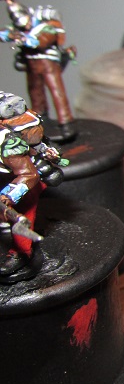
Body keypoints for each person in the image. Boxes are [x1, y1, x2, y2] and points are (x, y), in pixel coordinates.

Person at [0, 92, 67, 278]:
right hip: (5, 174)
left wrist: (8, 196)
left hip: (24, 183)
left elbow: (28, 175)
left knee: (22, 214)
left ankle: (22, 254)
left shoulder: (10, 144)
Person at [0, 0, 77, 142]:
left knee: (57, 93)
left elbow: (41, 41)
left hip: (48, 65)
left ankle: (66, 123)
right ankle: (42, 118)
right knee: (35, 92)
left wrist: (24, 39)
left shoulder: (45, 27)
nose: (25, 27)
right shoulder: (19, 29)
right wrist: (11, 35)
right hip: (31, 66)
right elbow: (5, 34)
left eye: (26, 24)